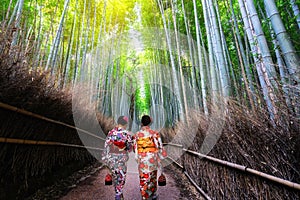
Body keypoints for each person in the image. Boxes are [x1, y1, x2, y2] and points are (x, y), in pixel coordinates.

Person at [134, 115, 167, 200]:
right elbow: (160, 146)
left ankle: (144, 196)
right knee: (152, 177)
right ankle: (152, 195)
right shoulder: (154, 133)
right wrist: (162, 156)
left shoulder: (137, 135)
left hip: (142, 159)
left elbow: (135, 149)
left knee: (143, 177)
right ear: (150, 122)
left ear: (141, 123)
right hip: (152, 158)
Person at [102, 116, 133, 200]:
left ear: (118, 122)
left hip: (112, 157)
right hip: (122, 158)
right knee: (121, 177)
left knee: (115, 177)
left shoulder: (111, 132)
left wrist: (104, 159)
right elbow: (130, 148)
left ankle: (118, 193)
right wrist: (124, 147)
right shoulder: (127, 134)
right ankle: (118, 195)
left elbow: (106, 146)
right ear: (126, 124)